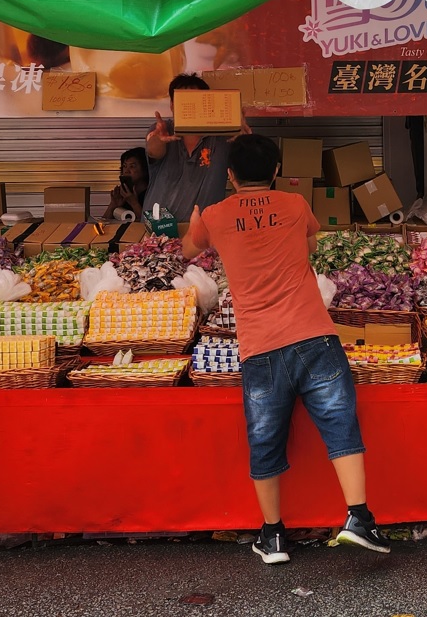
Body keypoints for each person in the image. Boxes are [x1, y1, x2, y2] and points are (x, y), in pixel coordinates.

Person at [181, 134, 387, 565]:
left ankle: (273, 536)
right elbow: (311, 245)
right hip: (315, 336)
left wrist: (195, 219)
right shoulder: (294, 205)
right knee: (340, 425)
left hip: (261, 348)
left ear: (230, 175)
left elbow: (188, 250)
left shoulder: (216, 216)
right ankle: (359, 518)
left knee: (264, 440)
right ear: (276, 171)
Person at [143, 75, 246, 223]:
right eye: (183, 101)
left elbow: (246, 170)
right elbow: (153, 151)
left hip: (204, 231)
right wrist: (159, 139)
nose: (190, 106)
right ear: (172, 105)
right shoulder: (162, 129)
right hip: (158, 229)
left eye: (195, 100)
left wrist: (245, 139)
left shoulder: (223, 137)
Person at [102, 147, 151, 221]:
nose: (126, 171)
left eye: (132, 166)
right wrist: (113, 205)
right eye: (124, 166)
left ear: (144, 169)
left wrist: (134, 203)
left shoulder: (152, 194)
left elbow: (150, 224)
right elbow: (102, 223)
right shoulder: (124, 194)